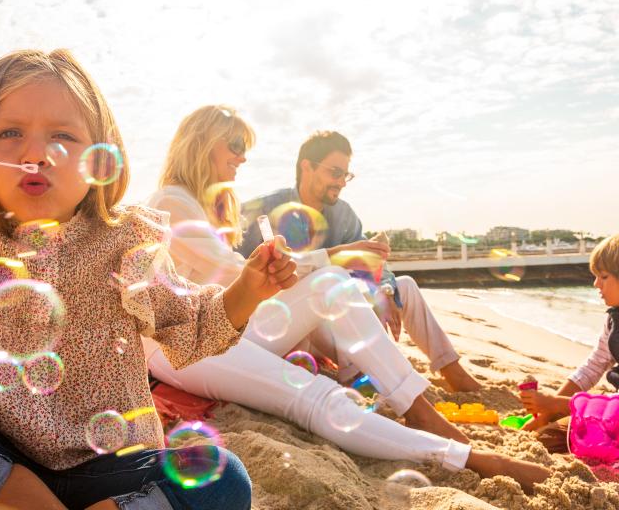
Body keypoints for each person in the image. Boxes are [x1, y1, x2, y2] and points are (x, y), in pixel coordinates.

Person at [144, 105, 550, 493]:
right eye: (234, 145)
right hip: (184, 344)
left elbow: (244, 287)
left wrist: (332, 270)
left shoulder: (209, 205)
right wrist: (331, 254)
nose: (243, 158)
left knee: (331, 284)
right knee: (310, 394)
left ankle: (418, 408)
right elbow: (238, 273)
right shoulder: (171, 202)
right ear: (201, 141)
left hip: (224, 327)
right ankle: (460, 455)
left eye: (244, 148)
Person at [0, 51, 298, 509]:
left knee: (223, 478)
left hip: (109, 468)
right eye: (10, 132)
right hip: (3, 470)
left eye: (63, 136)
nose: (35, 154)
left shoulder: (124, 243)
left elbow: (192, 324)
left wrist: (249, 288)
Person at [239, 130, 480, 392]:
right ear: (306, 166)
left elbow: (371, 262)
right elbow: (241, 273)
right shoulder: (263, 210)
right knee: (327, 292)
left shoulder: (343, 214)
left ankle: (451, 369)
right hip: (287, 323)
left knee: (405, 286)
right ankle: (360, 376)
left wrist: (386, 289)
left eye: (346, 175)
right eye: (335, 172)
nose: (342, 182)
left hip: (335, 322)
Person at [520, 235, 619, 451]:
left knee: (566, 438)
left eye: (603, 277)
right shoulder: (613, 319)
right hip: (614, 410)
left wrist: (557, 404)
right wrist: (548, 413)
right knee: (548, 436)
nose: (595, 284)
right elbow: (594, 365)